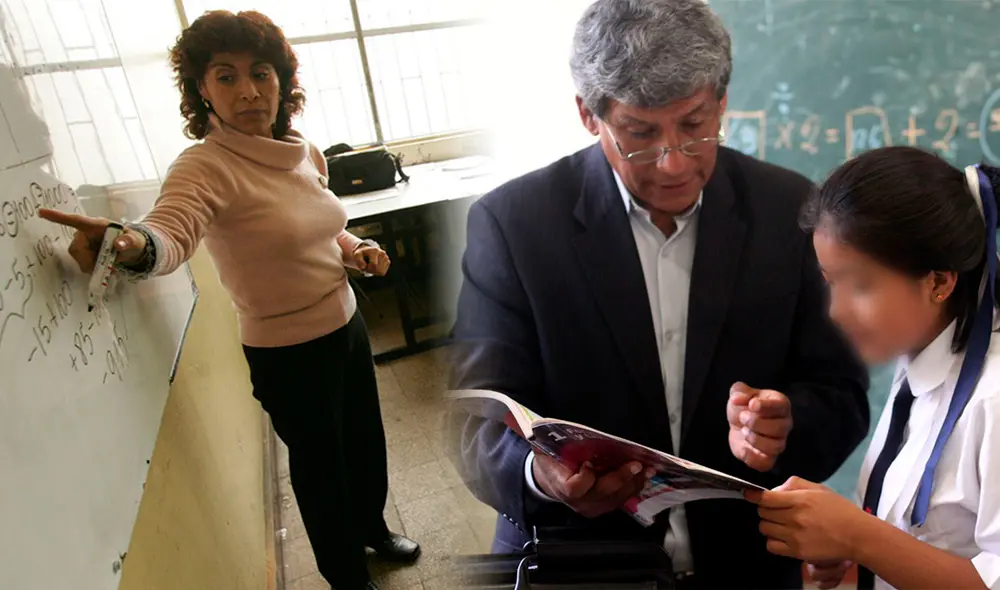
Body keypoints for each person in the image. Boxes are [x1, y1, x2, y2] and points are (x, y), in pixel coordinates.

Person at [446, 0, 870, 587]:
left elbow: (844, 394)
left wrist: (785, 423)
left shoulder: (789, 211)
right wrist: (541, 478)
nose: (673, 162)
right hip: (581, 563)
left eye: (696, 125)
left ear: (721, 102)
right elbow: (470, 419)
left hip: (747, 561)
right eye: (640, 134)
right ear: (589, 116)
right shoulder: (514, 225)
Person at [38, 11, 418, 590]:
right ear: (201, 90)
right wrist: (129, 243)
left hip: (346, 322)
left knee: (364, 443)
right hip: (288, 351)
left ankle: (372, 527)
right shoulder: (205, 167)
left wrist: (355, 247)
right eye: (226, 76)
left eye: (261, 74)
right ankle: (346, 575)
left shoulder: (302, 151)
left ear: (281, 81)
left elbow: (320, 229)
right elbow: (171, 230)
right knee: (321, 471)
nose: (248, 91)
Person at [749, 147, 1000, 590]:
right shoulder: (915, 376)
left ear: (938, 281)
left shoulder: (992, 398)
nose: (835, 311)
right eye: (830, 281)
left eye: (861, 285)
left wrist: (860, 538)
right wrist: (848, 551)